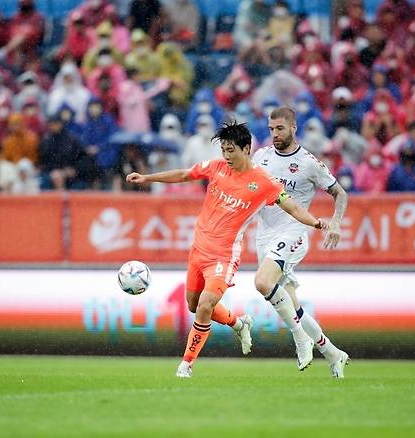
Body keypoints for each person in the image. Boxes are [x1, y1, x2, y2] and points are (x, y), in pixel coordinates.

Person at [126, 120, 329, 378]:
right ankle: (238, 322)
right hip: (198, 250)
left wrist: (316, 222)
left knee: (206, 304)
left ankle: (185, 366)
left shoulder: (263, 182)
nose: (226, 155)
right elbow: (185, 174)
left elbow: (292, 207)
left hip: (224, 256)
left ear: (246, 148)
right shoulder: (217, 167)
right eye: (223, 149)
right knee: (194, 304)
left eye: (231, 149)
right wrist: (147, 177)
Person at [250, 107, 350, 377]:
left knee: (262, 282)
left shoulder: (308, 163)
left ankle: (300, 340)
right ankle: (333, 353)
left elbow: (339, 193)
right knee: (292, 306)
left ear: (294, 127)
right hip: (265, 235)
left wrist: (336, 222)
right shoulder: (261, 157)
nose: (275, 134)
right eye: (271, 129)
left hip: (293, 233)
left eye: (280, 128)